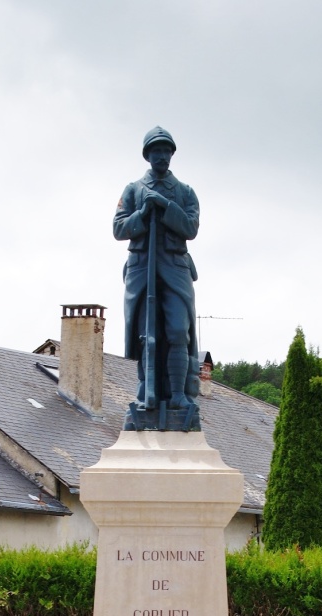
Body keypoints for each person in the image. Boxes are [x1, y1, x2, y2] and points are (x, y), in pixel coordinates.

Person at [113, 126, 200, 423]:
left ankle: (178, 394)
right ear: (148, 155)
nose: (162, 156)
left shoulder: (185, 192)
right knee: (146, 335)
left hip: (174, 267)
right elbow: (118, 229)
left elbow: (190, 228)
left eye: (166, 151)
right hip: (141, 267)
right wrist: (141, 213)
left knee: (178, 330)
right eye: (156, 151)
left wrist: (164, 206)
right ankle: (146, 391)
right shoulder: (133, 190)